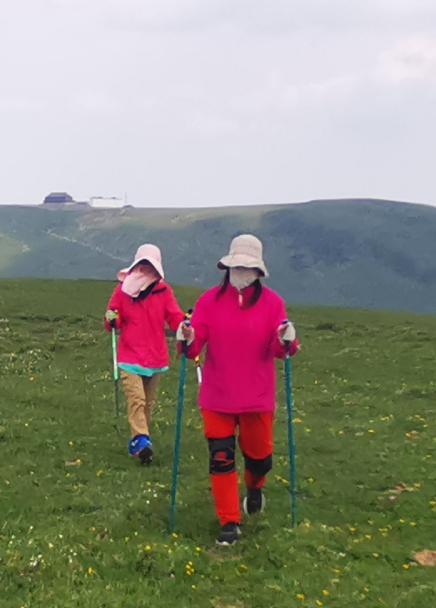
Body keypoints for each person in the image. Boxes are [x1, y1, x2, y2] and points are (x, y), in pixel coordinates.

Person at [179, 232, 295, 543]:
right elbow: (194, 347)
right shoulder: (208, 302)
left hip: (257, 398)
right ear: (227, 268)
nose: (242, 273)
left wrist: (287, 339)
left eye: (248, 268)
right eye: (237, 267)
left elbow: (280, 348)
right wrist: (186, 338)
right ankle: (229, 523)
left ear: (258, 272)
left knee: (260, 458)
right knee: (221, 458)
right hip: (217, 397)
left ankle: (255, 488)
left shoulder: (273, 304)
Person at [102, 243, 182, 464]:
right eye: (143, 265)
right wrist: (112, 319)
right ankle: (142, 440)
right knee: (137, 399)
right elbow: (113, 317)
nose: (146, 270)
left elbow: (174, 316)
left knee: (148, 402)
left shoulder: (165, 292)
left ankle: (140, 444)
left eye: (150, 266)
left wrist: (185, 327)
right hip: (129, 356)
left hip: (155, 358)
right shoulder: (123, 290)